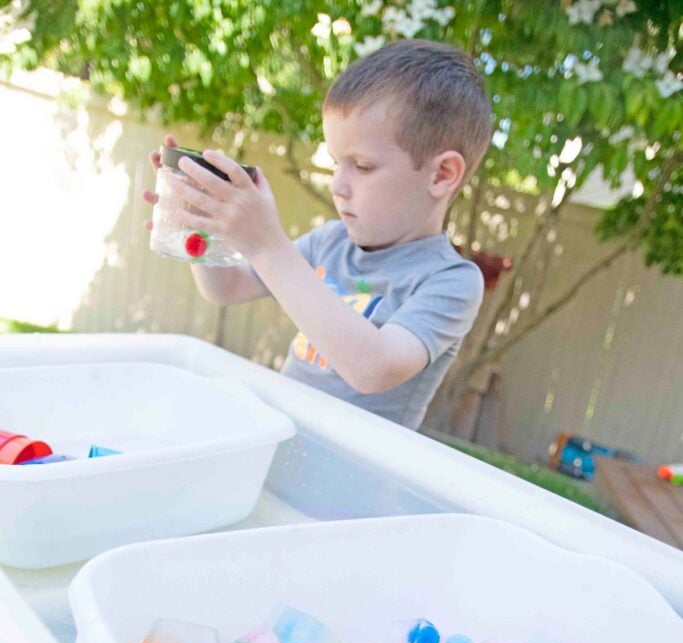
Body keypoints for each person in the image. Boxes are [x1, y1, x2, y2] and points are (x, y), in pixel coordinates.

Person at [143, 39, 492, 430]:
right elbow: (226, 289)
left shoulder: (449, 280)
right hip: (281, 443)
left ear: (441, 174)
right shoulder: (331, 241)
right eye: (335, 164)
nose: (337, 186)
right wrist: (200, 227)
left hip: (350, 482)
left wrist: (267, 244)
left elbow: (373, 368)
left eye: (361, 166)